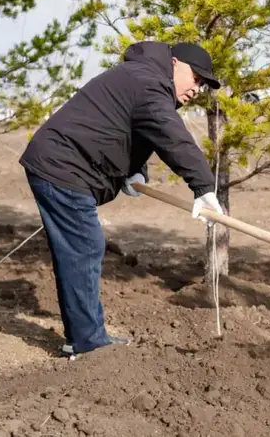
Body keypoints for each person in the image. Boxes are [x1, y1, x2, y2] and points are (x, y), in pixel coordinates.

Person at [18, 41, 225, 358]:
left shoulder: (144, 79)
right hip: (62, 165)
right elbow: (172, 137)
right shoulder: (148, 82)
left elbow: (135, 130)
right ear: (174, 63)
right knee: (85, 246)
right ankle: (87, 342)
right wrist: (204, 187)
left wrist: (136, 171)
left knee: (83, 246)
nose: (197, 89)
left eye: (203, 84)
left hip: (63, 164)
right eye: (196, 78)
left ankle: (84, 337)